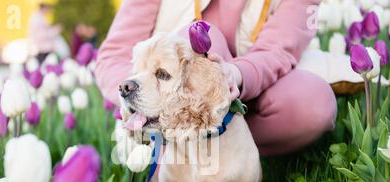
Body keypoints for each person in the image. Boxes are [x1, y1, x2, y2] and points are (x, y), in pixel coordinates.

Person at [95, 0, 337, 157]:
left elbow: (276, 51)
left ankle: (236, 175)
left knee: (315, 103)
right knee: (203, 39)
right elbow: (111, 59)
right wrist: (144, 89)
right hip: (172, 101)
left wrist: (235, 74)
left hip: (246, 93)